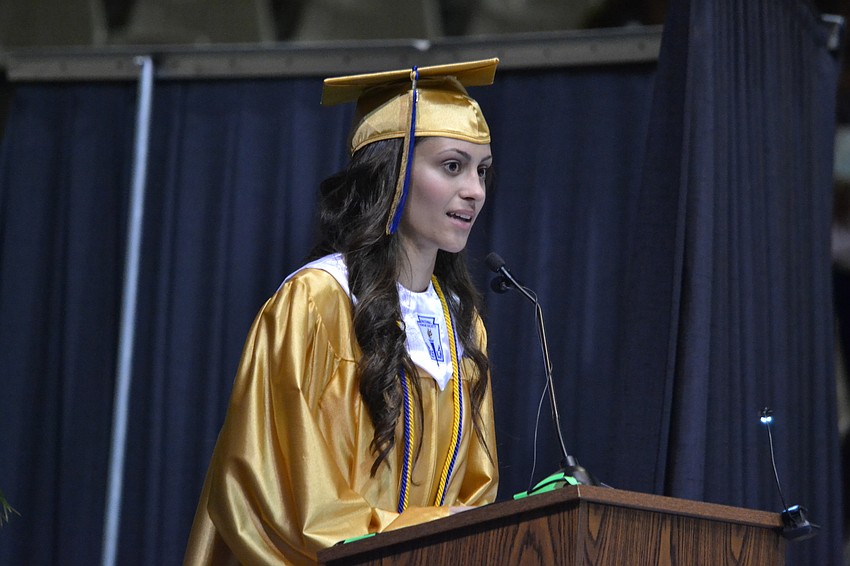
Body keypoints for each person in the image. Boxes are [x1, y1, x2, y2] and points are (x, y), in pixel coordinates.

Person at [184, 58, 500, 565]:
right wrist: (423, 535)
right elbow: (274, 497)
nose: (474, 191)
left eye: (482, 170)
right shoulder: (315, 304)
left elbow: (475, 498)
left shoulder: (463, 328)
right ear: (393, 172)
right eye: (452, 166)